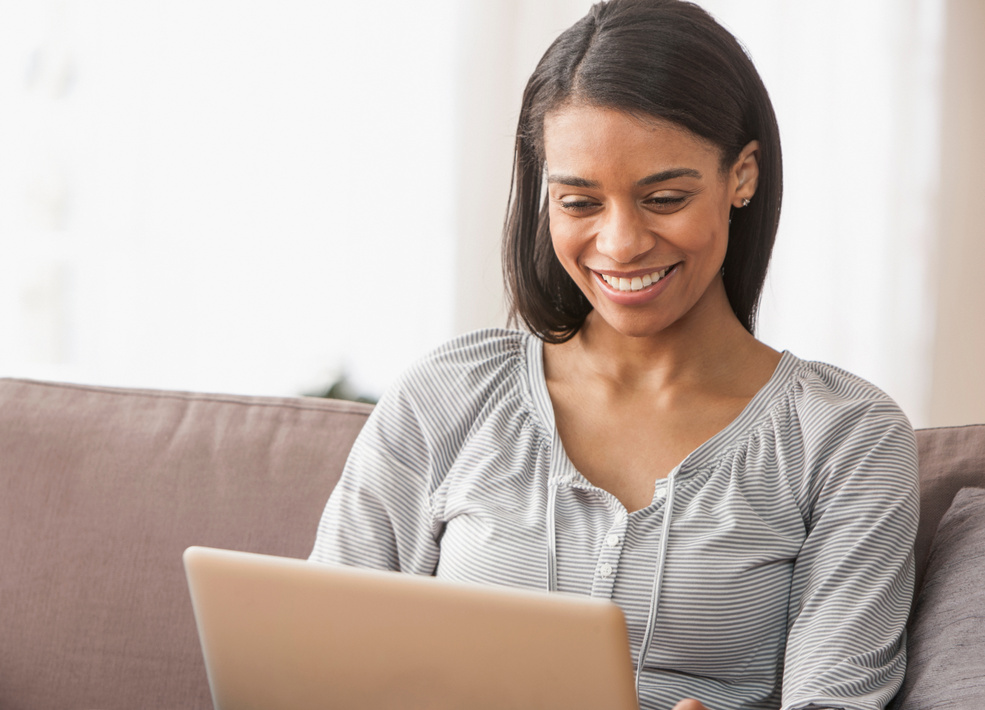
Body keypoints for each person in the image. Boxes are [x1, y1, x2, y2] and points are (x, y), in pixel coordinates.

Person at [310, 1, 919, 708]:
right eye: (578, 203)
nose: (620, 243)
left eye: (662, 197)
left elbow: (836, 698)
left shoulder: (845, 437)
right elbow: (319, 659)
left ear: (741, 177)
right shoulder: (450, 394)